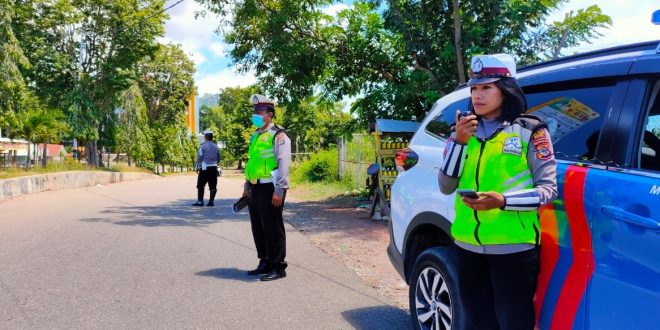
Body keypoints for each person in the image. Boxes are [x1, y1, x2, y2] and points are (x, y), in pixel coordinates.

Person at [439, 53, 558, 330]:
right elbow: (446, 186)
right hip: (467, 246)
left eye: (486, 87)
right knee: (477, 322)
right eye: (474, 88)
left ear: (505, 90)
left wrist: (503, 201)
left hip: (513, 249)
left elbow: (548, 190)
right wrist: (459, 142)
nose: (477, 95)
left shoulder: (531, 131)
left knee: (513, 323)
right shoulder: (459, 131)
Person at [243, 94, 291, 281]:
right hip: (255, 188)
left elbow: (283, 163)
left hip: (271, 187)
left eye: (259, 112)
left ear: (269, 114)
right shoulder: (256, 135)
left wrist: (280, 190)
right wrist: (247, 185)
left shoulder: (278, 135)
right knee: (258, 226)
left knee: (272, 226)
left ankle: (278, 266)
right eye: (254, 111)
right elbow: (252, 162)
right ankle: (264, 261)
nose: (255, 114)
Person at [192, 130, 220, 207]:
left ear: (205, 137)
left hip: (205, 168)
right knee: (213, 186)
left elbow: (199, 158)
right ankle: (211, 202)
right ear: (212, 137)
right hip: (214, 168)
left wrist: (197, 167)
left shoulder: (202, 146)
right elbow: (219, 158)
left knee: (200, 185)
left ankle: (200, 202)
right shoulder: (216, 147)